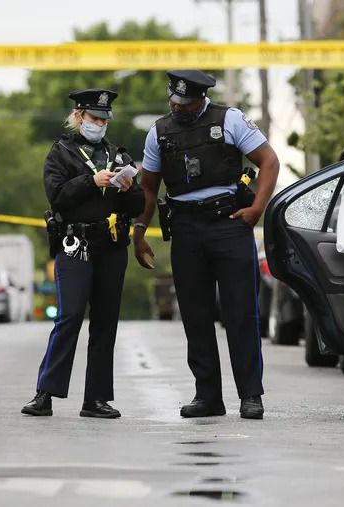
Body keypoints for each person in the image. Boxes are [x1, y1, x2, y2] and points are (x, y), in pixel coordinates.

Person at [134, 70, 280, 419]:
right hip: (186, 229)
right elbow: (149, 187)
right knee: (195, 315)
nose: (178, 108)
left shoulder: (230, 120)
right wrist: (139, 231)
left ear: (202, 99)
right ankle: (208, 396)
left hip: (229, 224)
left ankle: (251, 395)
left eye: (186, 104)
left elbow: (269, 161)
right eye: (174, 102)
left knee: (240, 313)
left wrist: (257, 209)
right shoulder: (159, 132)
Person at [21, 88, 145, 418]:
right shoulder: (61, 153)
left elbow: (139, 205)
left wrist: (129, 188)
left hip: (111, 245)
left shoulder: (119, 156)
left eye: (104, 119)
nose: (100, 124)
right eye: (94, 118)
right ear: (78, 117)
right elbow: (57, 196)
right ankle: (44, 393)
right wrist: (92, 181)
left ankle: (96, 399)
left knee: (105, 322)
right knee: (70, 316)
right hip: (75, 243)